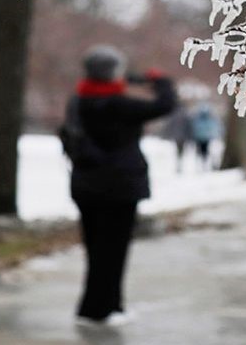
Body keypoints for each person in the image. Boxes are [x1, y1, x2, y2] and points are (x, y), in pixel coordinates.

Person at [66, 45, 176, 326]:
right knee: (114, 249)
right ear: (113, 72)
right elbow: (164, 105)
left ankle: (96, 306)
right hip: (120, 186)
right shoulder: (120, 105)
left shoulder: (78, 101)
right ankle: (104, 308)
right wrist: (161, 80)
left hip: (86, 185)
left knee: (95, 247)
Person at [188, 103, 221, 171]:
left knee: (201, 151)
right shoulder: (208, 118)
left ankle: (202, 164)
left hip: (200, 138)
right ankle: (203, 163)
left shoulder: (198, 119)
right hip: (204, 138)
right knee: (204, 151)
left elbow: (194, 128)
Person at [161, 103, 191, 174]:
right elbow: (188, 127)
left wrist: (168, 134)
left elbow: (170, 126)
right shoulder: (185, 115)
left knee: (178, 149)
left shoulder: (174, 115)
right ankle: (180, 159)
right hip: (183, 136)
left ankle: (179, 161)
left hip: (176, 136)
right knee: (181, 149)